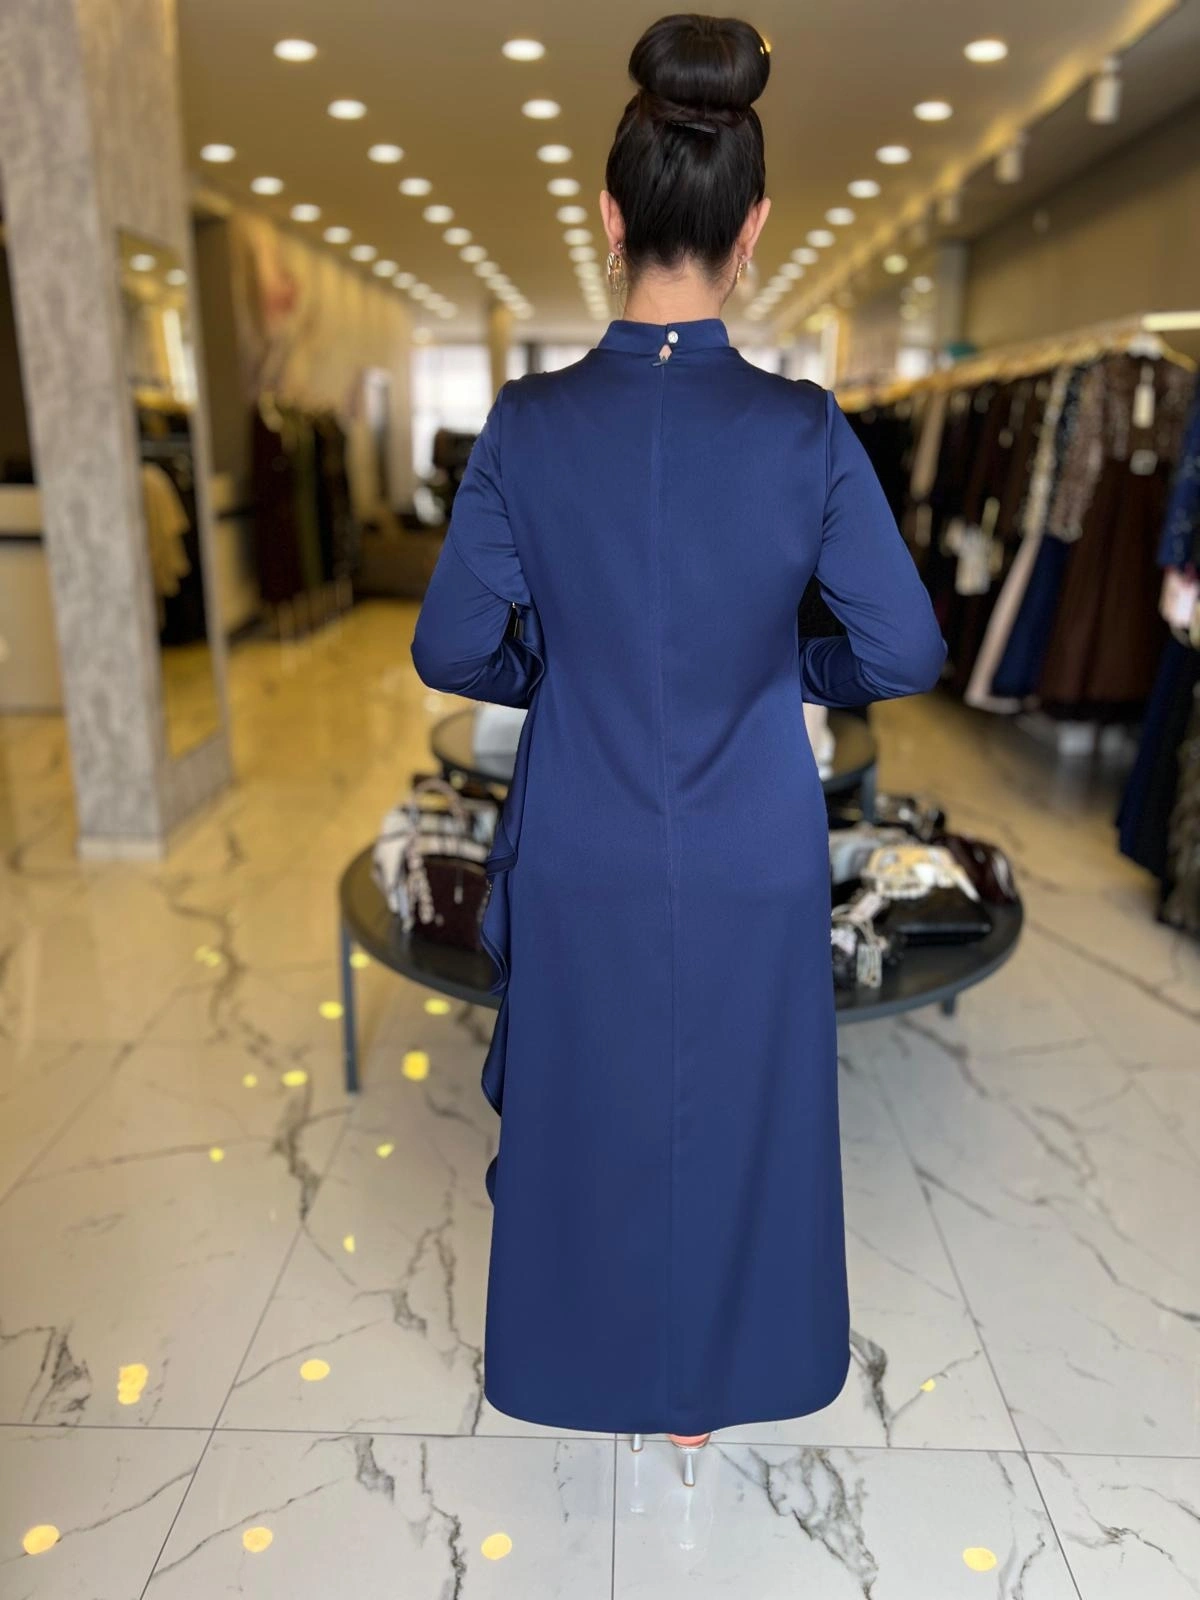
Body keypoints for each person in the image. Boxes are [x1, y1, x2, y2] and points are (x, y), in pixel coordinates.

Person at [411, 12, 946, 1485]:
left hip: (584, 831)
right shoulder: (805, 431)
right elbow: (904, 651)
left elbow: (452, 647)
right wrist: (790, 663)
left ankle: (589, 1364)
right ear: (753, 230)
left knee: (592, 1104)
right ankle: (710, 1382)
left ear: (610, 216)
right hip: (750, 840)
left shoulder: (527, 424)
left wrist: (552, 667)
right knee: (736, 1113)